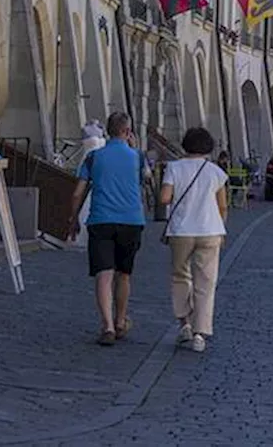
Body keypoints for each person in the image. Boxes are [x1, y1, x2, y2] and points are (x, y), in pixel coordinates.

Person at [68, 112, 146, 346]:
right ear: (127, 131)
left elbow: (77, 193)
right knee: (124, 274)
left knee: (103, 274)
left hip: (101, 219)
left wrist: (73, 219)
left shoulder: (93, 157)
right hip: (131, 221)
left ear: (107, 131)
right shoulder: (137, 157)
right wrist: (135, 147)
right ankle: (121, 320)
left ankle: (108, 326)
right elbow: (146, 180)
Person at [160, 127, 229, 354]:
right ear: (208, 148)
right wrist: (221, 229)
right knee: (206, 283)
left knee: (181, 277)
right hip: (210, 230)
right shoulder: (215, 172)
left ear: (185, 145)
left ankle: (184, 324)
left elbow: (164, 198)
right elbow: (222, 206)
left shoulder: (174, 168)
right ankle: (201, 333)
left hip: (181, 231)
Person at [72, 121, 108, 248]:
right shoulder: (106, 151)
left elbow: (77, 194)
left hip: (91, 188)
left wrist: (73, 215)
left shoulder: (90, 156)